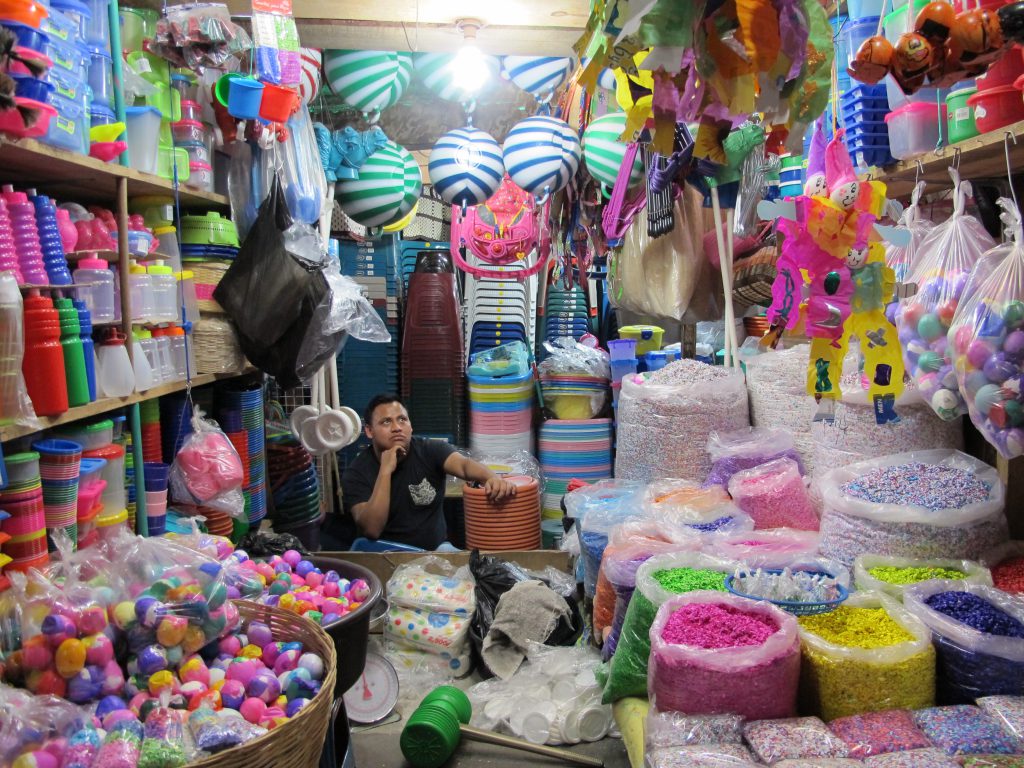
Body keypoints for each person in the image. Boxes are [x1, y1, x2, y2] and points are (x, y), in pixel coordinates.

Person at [341, 394, 517, 550]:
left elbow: (463, 465)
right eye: (386, 422)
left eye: (402, 419)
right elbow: (372, 529)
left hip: (434, 552)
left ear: (411, 426)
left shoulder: (430, 450)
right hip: (384, 554)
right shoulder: (356, 472)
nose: (397, 427)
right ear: (369, 431)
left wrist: (491, 477)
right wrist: (385, 471)